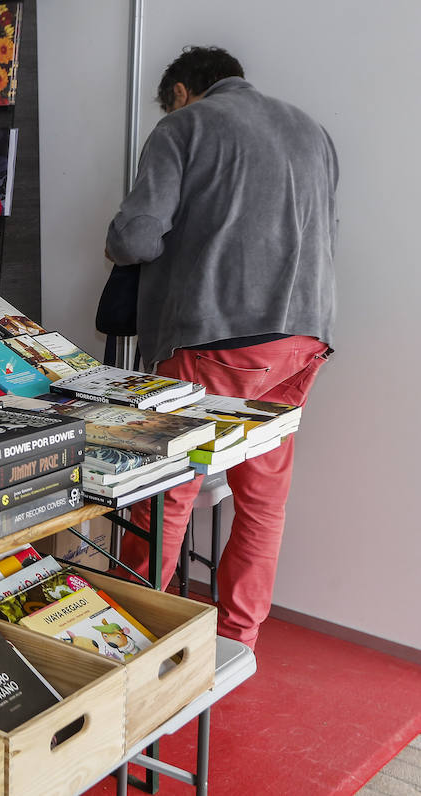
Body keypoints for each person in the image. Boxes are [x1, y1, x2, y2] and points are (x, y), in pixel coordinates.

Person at [105, 46, 337, 649]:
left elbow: (135, 237)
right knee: (262, 500)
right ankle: (239, 638)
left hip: (215, 336)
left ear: (182, 91)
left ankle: (130, 638)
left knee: (163, 494)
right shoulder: (312, 129)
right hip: (301, 338)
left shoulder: (185, 124)